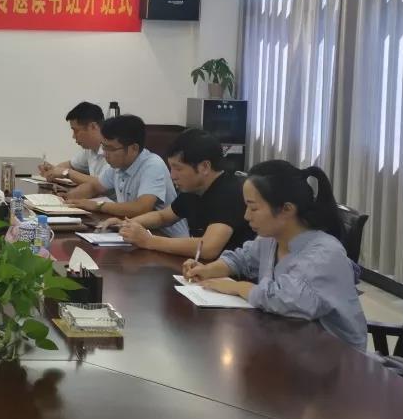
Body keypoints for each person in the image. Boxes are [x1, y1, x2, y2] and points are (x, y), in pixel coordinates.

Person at [184, 160, 367, 351]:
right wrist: (209, 269)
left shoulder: (324, 254)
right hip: (290, 345)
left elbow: (288, 302)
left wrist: (238, 287)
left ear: (287, 209)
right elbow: (243, 259)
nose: (246, 216)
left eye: (253, 208)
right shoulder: (271, 238)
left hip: (334, 357)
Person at [103, 129, 254, 259]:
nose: (172, 175)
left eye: (178, 168)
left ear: (204, 167)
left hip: (235, 276)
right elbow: (163, 217)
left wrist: (149, 241)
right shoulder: (194, 188)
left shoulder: (230, 192)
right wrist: (128, 223)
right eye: (171, 168)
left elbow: (208, 248)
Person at [63, 114, 188, 237]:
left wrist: (98, 206)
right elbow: (94, 187)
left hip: (166, 238)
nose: (105, 154)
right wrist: (68, 200)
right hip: (133, 230)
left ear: (134, 148)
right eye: (104, 147)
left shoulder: (152, 165)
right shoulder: (118, 165)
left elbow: (141, 207)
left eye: (111, 149)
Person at [38, 102, 108, 185]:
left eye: (76, 130)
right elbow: (71, 165)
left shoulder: (112, 149)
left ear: (93, 126)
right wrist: (52, 170)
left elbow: (102, 184)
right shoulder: (90, 149)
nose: (73, 136)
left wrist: (67, 173)